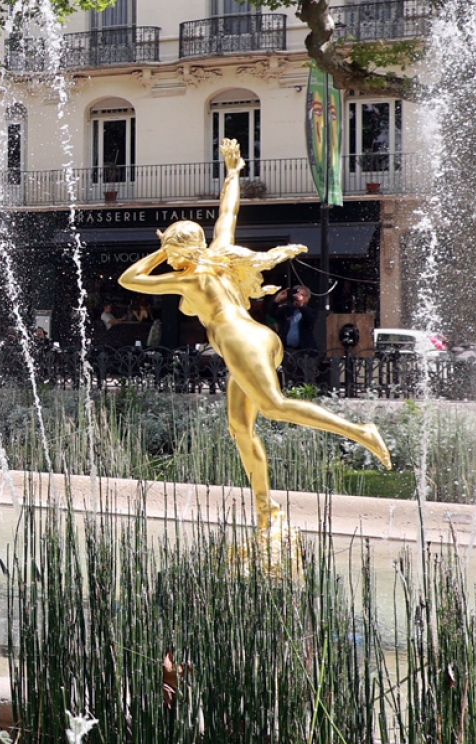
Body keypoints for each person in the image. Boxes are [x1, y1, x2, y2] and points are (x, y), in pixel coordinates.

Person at [119, 138, 390, 536]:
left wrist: (163, 252)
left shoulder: (188, 275)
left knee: (275, 406)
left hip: (240, 340)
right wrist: (232, 173)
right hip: (256, 339)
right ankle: (266, 510)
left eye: (170, 248)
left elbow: (130, 279)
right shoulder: (220, 255)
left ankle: (361, 432)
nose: (168, 256)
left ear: (178, 251)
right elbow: (226, 214)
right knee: (240, 428)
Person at [272, 286, 312, 350]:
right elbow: (272, 314)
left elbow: (310, 320)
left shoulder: (311, 312)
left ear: (307, 298)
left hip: (303, 351)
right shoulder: (286, 310)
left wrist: (301, 306)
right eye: (296, 295)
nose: (297, 298)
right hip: (286, 349)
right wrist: (277, 300)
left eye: (301, 295)